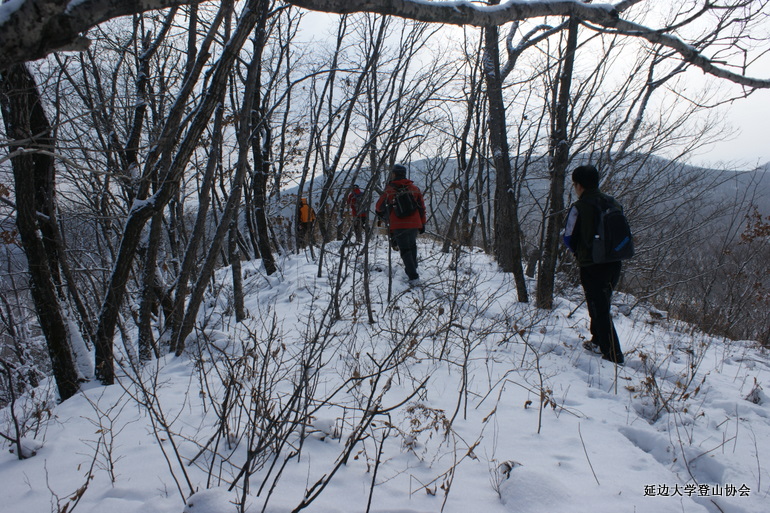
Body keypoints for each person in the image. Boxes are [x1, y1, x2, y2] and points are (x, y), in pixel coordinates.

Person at [563, 165, 625, 364]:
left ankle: (613, 354)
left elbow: (568, 237)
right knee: (601, 302)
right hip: (614, 262)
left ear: (579, 185)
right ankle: (598, 341)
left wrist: (578, 252)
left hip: (591, 264)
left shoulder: (579, 207)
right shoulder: (613, 202)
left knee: (598, 307)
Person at [375, 164, 427, 284]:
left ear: (394, 174)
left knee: (405, 250)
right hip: (414, 223)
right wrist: (422, 223)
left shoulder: (389, 190)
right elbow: (422, 208)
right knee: (412, 246)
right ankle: (412, 269)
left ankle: (413, 277)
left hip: (398, 224)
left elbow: (378, 206)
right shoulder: (414, 188)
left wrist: (383, 214)